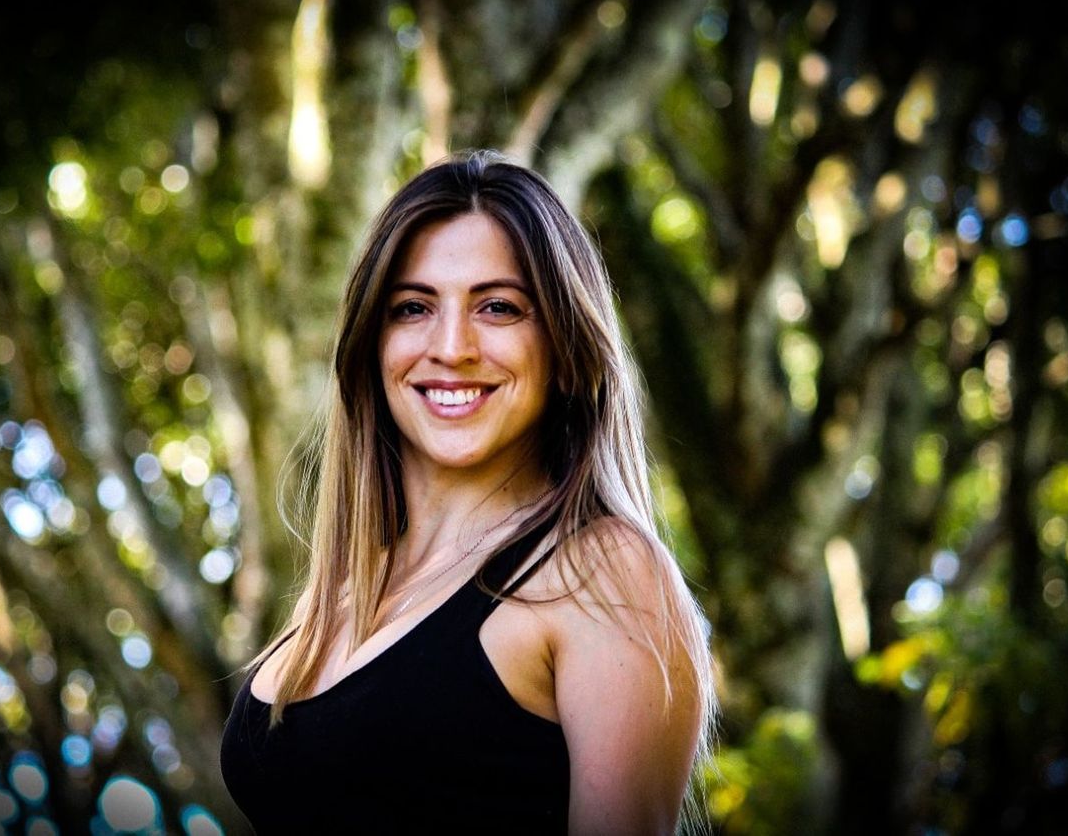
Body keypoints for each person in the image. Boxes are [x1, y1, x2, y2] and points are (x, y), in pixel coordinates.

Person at [220, 151, 717, 834]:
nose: (451, 345)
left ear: (565, 346)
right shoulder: (342, 590)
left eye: (499, 306)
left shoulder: (602, 573)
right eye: (412, 306)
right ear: (372, 343)